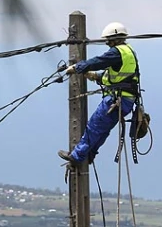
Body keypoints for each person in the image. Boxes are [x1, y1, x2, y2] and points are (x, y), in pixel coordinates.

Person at [58, 22, 140, 165]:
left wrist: (77, 67)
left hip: (116, 100)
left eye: (108, 40)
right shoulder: (128, 51)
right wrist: (96, 76)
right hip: (126, 101)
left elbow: (98, 61)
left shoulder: (117, 52)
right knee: (102, 130)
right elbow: (120, 76)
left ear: (113, 38)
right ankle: (89, 155)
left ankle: (77, 156)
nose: (107, 43)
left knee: (94, 126)